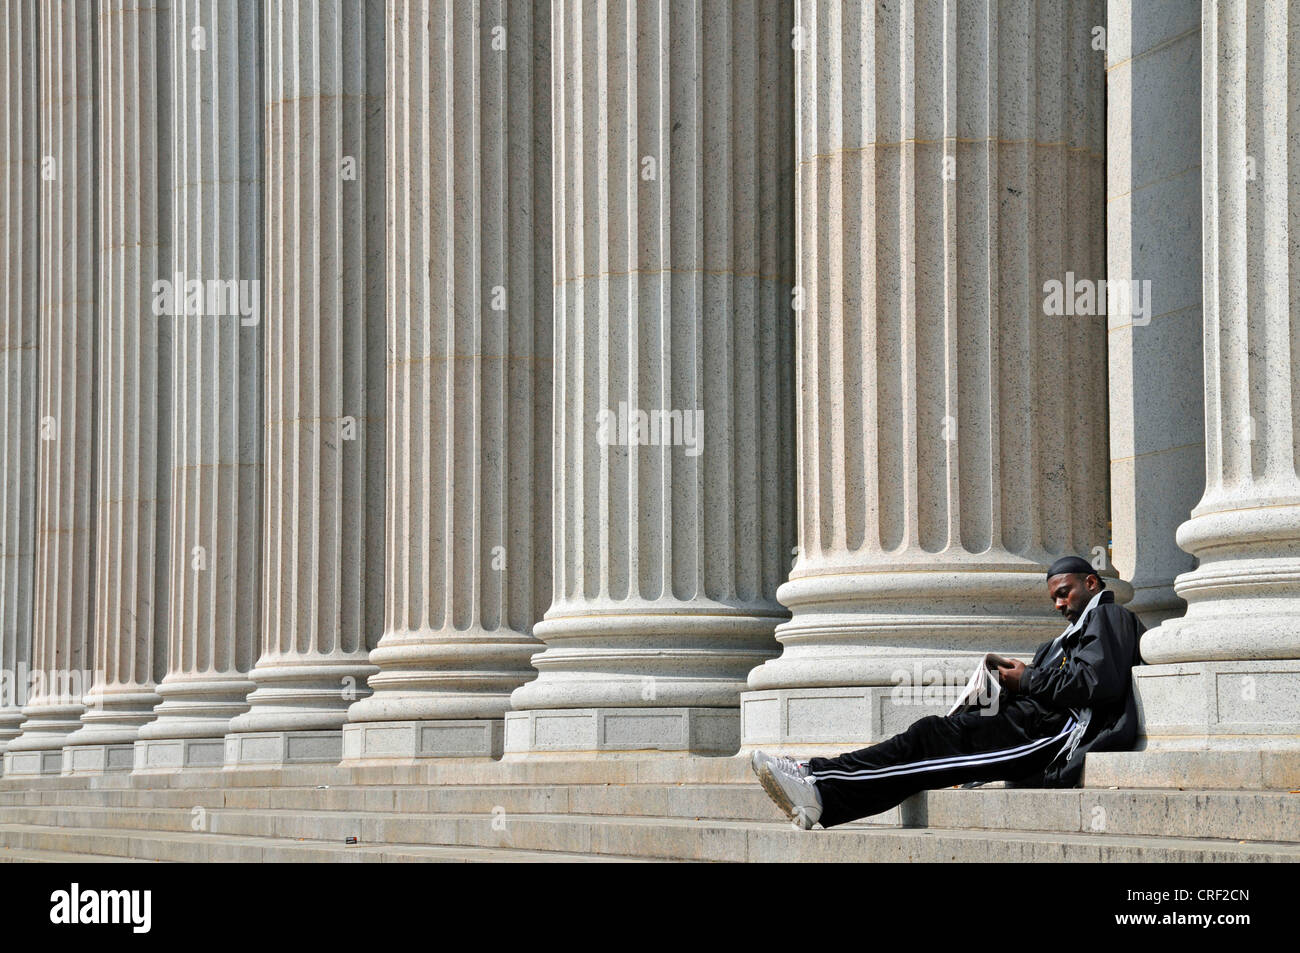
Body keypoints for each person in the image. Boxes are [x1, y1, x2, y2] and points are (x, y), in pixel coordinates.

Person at [751, 555, 1146, 829]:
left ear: (1091, 583)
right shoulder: (1063, 639)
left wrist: (1025, 679)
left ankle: (817, 782)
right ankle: (816, 783)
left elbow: (1099, 683)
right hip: (1028, 722)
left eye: (1065, 592)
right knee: (927, 739)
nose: (1060, 604)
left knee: (927, 744)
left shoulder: (1109, 615)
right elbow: (1052, 684)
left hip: (1050, 735)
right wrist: (997, 686)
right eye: (1054, 598)